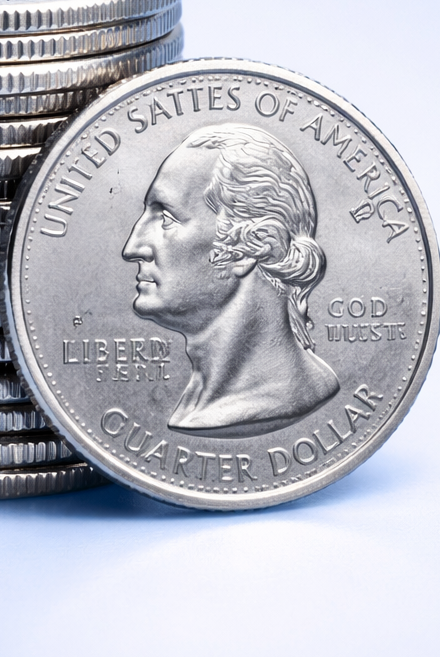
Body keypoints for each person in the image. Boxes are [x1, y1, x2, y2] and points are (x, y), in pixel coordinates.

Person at [121, 123, 339, 437]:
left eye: (166, 218)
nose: (133, 249)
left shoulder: (278, 397)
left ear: (249, 247)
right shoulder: (198, 404)